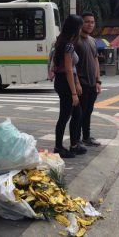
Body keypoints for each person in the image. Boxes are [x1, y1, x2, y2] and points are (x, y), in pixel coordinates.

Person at [53, 14, 86, 158]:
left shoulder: (62, 41)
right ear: (75, 28)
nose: (81, 30)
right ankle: (58, 147)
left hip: (65, 80)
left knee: (76, 113)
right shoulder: (68, 45)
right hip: (65, 82)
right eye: (80, 27)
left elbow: (71, 68)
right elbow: (67, 69)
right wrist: (73, 93)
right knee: (65, 116)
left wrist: (77, 83)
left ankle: (73, 145)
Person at [74, 11, 102, 147]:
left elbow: (96, 60)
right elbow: (72, 65)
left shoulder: (92, 40)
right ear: (81, 23)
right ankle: (77, 140)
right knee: (79, 113)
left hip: (92, 83)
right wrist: (77, 83)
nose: (90, 24)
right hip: (81, 84)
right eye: (87, 22)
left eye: (92, 22)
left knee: (88, 111)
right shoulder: (75, 40)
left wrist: (98, 81)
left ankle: (86, 137)